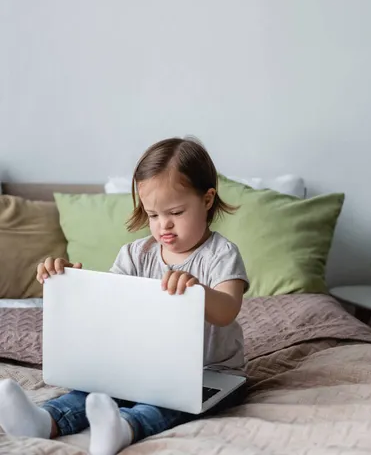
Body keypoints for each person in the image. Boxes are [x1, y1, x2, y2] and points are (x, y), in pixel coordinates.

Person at [0, 137, 249, 455]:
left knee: (163, 405)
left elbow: (227, 309)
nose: (163, 225)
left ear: (207, 199)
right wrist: (70, 279)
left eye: (175, 211)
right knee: (90, 390)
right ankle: (44, 421)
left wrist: (197, 290)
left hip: (212, 374)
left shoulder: (221, 254)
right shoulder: (135, 253)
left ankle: (124, 428)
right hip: (144, 366)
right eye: (153, 215)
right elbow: (109, 306)